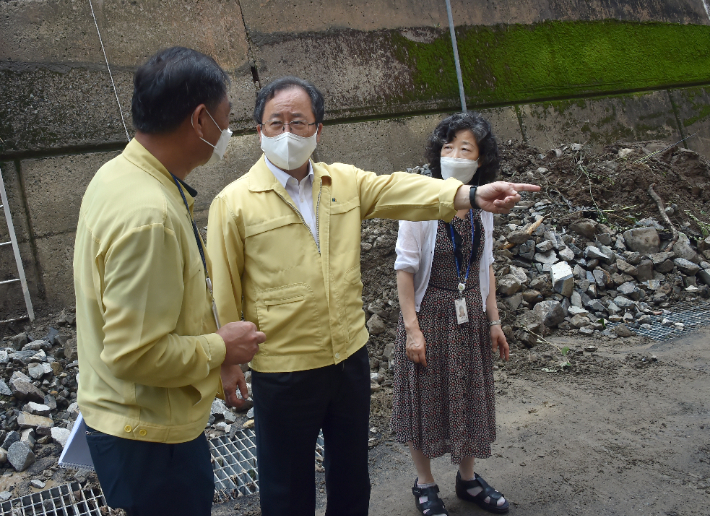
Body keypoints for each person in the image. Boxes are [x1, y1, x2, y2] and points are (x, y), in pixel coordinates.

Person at [206, 76, 538, 516]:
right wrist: (229, 360)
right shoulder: (233, 203)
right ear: (259, 131)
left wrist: (469, 194)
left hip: (348, 360)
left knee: (350, 475)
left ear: (318, 130)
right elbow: (225, 286)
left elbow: (400, 188)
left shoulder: (342, 183)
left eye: (299, 122)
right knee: (286, 485)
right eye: (276, 123)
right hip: (284, 368)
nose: (287, 133)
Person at [74, 47, 265, 516]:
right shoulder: (150, 216)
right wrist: (221, 348)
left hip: (136, 423)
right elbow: (134, 352)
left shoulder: (121, 174)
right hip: (151, 440)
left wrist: (212, 363)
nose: (228, 130)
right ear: (201, 120)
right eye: (226, 117)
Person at [391, 112, 511, 515]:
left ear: (481, 161)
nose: (454, 154)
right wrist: (412, 329)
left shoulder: (484, 205)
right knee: (424, 401)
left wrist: (493, 321)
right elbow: (405, 269)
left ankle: (467, 479)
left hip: (469, 316)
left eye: (465, 148)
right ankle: (425, 484)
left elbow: (486, 264)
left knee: (470, 397)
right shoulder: (421, 202)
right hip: (429, 315)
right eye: (447, 146)